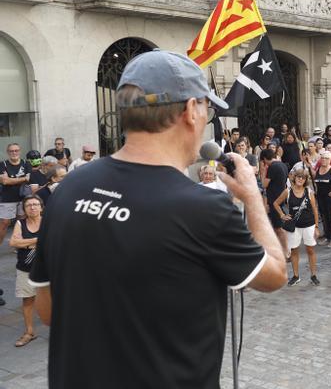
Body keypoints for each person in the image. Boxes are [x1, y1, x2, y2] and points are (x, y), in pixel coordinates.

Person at [27, 50, 286, 386]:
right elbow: (275, 274)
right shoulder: (201, 208)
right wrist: (252, 196)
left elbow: (47, 312)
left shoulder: (67, 188)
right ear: (191, 110)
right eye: (207, 108)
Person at [275, 167, 321, 286]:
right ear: (294, 178)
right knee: (294, 250)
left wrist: (316, 226)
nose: (300, 179)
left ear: (306, 179)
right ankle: (296, 276)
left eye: (303, 177)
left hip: (309, 225)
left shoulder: (309, 191)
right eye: (299, 176)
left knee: (310, 250)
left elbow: (315, 209)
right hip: (294, 226)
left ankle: (313, 275)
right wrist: (282, 215)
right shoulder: (288, 191)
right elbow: (275, 203)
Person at [9, 195, 42, 347]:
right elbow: (14, 242)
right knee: (28, 300)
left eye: (35, 204)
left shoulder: (49, 222)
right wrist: (37, 240)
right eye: (28, 205)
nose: (32, 207)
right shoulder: (20, 223)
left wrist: (25, 244)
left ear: (41, 207)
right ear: (24, 209)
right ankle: (30, 331)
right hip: (26, 269)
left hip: (48, 269)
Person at [260, 148, 290, 253]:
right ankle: (282, 249)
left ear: (264, 159)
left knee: (279, 228)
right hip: (279, 198)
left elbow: (264, 184)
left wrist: (263, 171)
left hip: (275, 200)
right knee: (276, 226)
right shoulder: (282, 165)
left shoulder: (272, 167)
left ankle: (286, 251)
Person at [314, 151, 331, 247]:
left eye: (326, 158)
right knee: (324, 217)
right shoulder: (318, 169)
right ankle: (327, 236)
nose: (324, 160)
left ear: (330, 160)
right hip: (320, 197)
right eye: (322, 158)